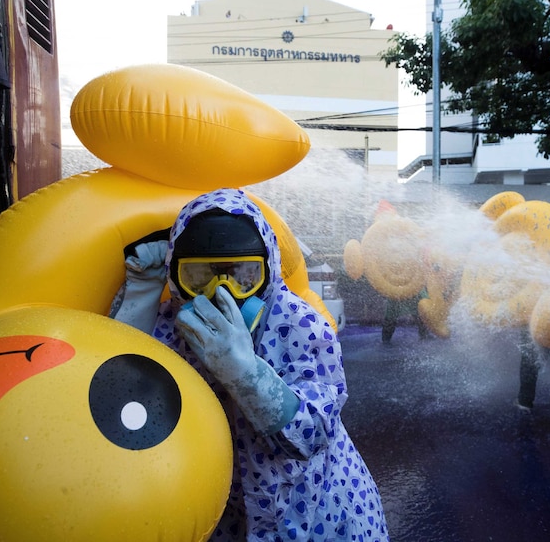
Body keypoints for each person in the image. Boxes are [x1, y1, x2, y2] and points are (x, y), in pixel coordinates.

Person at [111, 188, 389, 541]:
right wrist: (142, 291)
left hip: (312, 509)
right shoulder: (168, 325)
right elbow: (121, 391)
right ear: (174, 276)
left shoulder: (300, 325)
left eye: (243, 276)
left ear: (268, 270)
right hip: (221, 508)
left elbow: (311, 434)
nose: (221, 293)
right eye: (199, 277)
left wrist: (247, 375)